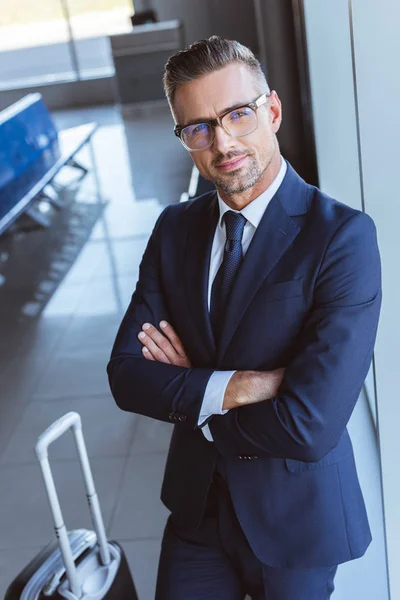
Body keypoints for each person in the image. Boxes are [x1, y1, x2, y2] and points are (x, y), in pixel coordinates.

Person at [107, 36, 382, 600]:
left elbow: (310, 425)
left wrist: (196, 400)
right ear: (184, 138)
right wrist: (244, 386)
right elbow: (127, 375)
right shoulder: (173, 230)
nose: (222, 141)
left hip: (296, 518)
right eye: (199, 127)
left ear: (272, 111)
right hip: (196, 513)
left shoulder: (341, 238)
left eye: (238, 114)